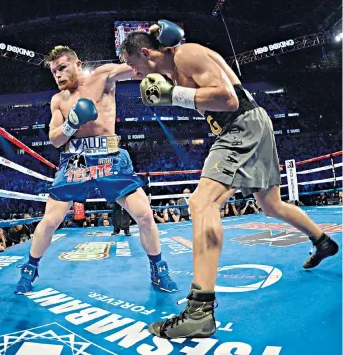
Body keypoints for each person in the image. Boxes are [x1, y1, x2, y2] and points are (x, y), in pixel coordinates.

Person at [120, 20, 339, 338]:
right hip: (249, 123)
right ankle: (323, 242)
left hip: (240, 123)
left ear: (145, 53)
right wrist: (173, 94)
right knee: (271, 204)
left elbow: (228, 100)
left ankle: (199, 312)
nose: (136, 74)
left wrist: (175, 96)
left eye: (133, 65)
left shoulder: (186, 55)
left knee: (201, 202)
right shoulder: (173, 70)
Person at [15, 45, 177, 295]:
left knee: (144, 215)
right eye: (53, 71)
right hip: (75, 161)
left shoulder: (103, 76)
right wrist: (72, 123)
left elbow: (138, 69)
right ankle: (30, 269)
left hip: (110, 158)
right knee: (50, 220)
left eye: (62, 68)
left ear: (77, 64)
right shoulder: (58, 100)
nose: (57, 75)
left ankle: (158, 268)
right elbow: (56, 139)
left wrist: (165, 58)